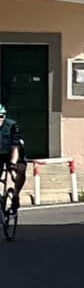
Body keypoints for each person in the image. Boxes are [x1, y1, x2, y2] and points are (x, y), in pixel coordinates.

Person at [0, 102, 24, 238]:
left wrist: (12, 165)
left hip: (13, 153)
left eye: (1, 116)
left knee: (19, 171)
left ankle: (15, 196)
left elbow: (15, 148)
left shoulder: (12, 126)